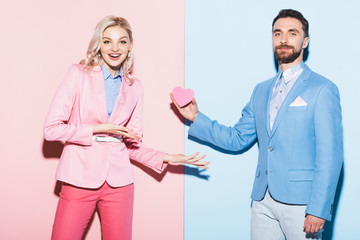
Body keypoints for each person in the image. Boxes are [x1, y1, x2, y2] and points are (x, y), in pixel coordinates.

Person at [171, 9, 343, 240]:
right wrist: (195, 117)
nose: (283, 39)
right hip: (262, 201)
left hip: (303, 205)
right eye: (277, 33)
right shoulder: (261, 90)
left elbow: (330, 155)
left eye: (292, 33)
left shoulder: (322, 89)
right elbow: (237, 138)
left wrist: (319, 208)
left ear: (305, 41)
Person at [44, 15, 209, 240]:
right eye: (107, 41)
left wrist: (169, 157)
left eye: (122, 41)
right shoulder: (78, 74)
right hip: (78, 179)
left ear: (130, 46)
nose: (115, 48)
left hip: (120, 185)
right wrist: (97, 129)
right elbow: (51, 129)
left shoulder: (134, 87)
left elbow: (131, 144)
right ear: (98, 44)